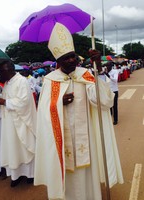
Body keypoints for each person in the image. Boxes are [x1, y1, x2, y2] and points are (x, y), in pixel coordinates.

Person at [34, 23, 123, 200]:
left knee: (87, 176)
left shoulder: (85, 74)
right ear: (58, 62)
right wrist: (59, 102)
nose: (71, 61)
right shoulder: (51, 80)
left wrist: (97, 70)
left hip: (86, 138)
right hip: (63, 139)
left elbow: (104, 102)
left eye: (73, 56)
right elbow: (43, 113)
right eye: (66, 58)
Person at [0, 60, 37, 187]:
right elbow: (4, 99)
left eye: (1, 71)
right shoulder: (7, 83)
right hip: (9, 123)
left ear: (10, 70)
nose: (0, 74)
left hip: (21, 122)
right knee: (12, 148)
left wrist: (4, 102)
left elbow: (24, 102)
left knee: (24, 148)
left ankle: (30, 175)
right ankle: (16, 175)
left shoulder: (22, 81)